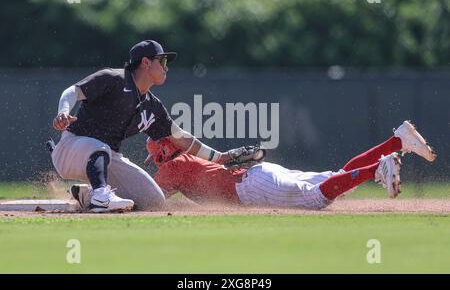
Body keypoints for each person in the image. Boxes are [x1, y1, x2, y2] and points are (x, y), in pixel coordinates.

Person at [51, 40, 238, 212]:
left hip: (108, 158)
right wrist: (63, 111)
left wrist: (219, 157)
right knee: (101, 148)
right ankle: (101, 196)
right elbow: (73, 91)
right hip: (71, 149)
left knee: (153, 200)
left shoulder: (153, 106)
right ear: (146, 62)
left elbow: (181, 137)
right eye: (163, 62)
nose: (166, 68)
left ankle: (89, 194)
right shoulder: (114, 78)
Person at [143, 121, 435, 209]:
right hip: (258, 177)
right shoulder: (189, 159)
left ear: (160, 153)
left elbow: (148, 200)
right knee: (338, 178)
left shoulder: (173, 168)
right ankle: (396, 141)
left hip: (253, 189)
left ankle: (377, 169)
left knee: (318, 198)